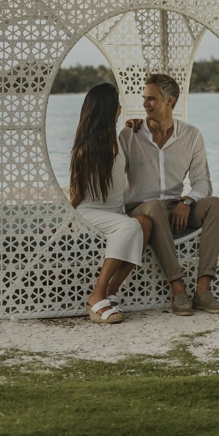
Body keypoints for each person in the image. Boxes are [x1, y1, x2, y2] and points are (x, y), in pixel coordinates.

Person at [121, 73, 219, 316]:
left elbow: (202, 181)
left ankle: (203, 290)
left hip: (174, 206)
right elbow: (114, 176)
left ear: (169, 101)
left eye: (152, 99)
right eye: (144, 98)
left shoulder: (191, 135)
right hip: (140, 207)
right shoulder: (130, 134)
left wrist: (187, 201)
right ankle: (178, 289)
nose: (145, 104)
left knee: (217, 205)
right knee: (156, 207)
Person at [70, 82, 153, 324]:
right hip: (90, 212)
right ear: (108, 110)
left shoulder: (118, 140)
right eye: (117, 105)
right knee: (129, 227)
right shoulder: (85, 150)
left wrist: (133, 125)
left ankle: (110, 291)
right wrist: (66, 221)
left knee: (145, 224)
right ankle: (96, 296)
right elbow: (76, 194)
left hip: (114, 213)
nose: (120, 109)